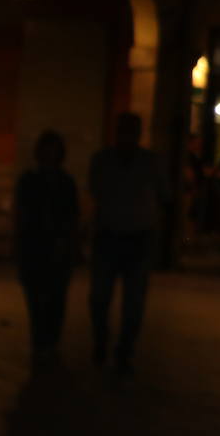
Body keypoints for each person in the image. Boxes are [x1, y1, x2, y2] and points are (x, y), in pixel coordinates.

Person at [87, 112, 169, 381]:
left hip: (138, 237)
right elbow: (94, 195)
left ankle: (124, 350)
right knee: (100, 297)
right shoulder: (103, 161)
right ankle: (103, 340)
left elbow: (163, 197)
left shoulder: (149, 162)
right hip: (109, 235)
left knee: (133, 302)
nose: (127, 136)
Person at [14, 130, 79, 370]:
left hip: (56, 247)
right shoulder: (31, 180)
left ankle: (49, 342)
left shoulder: (64, 182)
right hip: (35, 246)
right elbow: (22, 215)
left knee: (55, 298)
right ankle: (41, 342)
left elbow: (72, 217)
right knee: (37, 299)